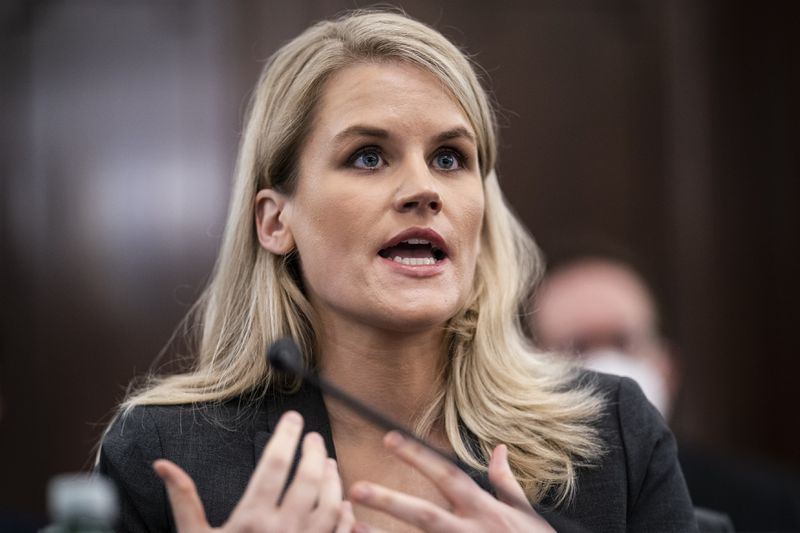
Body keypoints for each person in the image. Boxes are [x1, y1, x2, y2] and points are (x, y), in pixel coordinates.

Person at [97, 10, 697, 532]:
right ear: (276, 221)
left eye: (449, 158)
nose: (423, 189)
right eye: (368, 156)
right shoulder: (165, 453)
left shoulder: (612, 434)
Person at [531, 253, 800, 531]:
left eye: (624, 342)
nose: (609, 367)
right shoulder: (522, 507)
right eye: (577, 346)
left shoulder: (770, 506)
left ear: (666, 367)